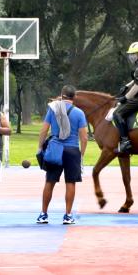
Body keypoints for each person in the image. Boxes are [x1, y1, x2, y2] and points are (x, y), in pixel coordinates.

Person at [36, 85, 88, 225]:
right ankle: (68, 215)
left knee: (50, 182)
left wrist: (40, 147)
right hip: (72, 150)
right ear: (74, 97)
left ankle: (43, 214)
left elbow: (44, 130)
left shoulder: (53, 109)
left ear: (62, 94)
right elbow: (84, 137)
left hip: (55, 149)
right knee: (70, 183)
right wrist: (81, 155)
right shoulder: (79, 113)